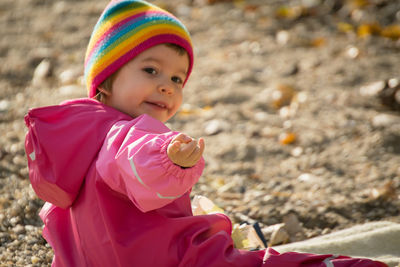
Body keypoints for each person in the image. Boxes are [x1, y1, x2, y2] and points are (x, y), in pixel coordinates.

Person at [24, 1, 388, 266]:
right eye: (151, 70)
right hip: (173, 259)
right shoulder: (125, 134)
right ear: (105, 80)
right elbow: (132, 157)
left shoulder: (82, 136)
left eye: (176, 78)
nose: (166, 86)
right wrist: (168, 157)